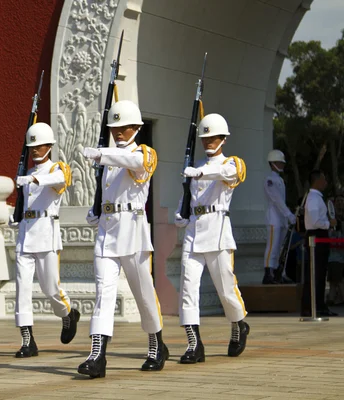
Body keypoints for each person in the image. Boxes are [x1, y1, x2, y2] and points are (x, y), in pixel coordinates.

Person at [79, 100, 167, 379]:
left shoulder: (144, 154)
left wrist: (101, 154)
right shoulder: (109, 158)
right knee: (103, 293)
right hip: (107, 232)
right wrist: (97, 210)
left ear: (137, 128)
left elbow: (136, 162)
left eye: (125, 127)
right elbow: (109, 192)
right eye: (114, 127)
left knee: (143, 294)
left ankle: (156, 343)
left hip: (133, 233)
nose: (118, 132)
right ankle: (97, 355)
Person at [174, 113, 249, 364]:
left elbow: (227, 174)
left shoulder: (230, 164)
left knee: (226, 289)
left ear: (223, 139)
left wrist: (198, 173)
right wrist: (180, 212)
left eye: (213, 137)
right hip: (194, 232)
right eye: (205, 137)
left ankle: (238, 324)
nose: (208, 141)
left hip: (217, 232)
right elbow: (190, 198)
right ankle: (194, 344)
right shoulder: (196, 167)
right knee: (187, 288)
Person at [10, 122, 80, 358]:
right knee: (22, 288)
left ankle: (68, 313)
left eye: (39, 146)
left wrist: (34, 181)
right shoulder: (26, 173)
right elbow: (25, 204)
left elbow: (63, 179)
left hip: (47, 234)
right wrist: (15, 216)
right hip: (26, 235)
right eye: (32, 146)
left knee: (51, 288)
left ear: (49, 146)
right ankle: (27, 340)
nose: (35, 150)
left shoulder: (56, 169)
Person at [301, 170, 337, 317]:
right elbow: (315, 222)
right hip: (316, 236)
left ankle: (318, 305)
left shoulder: (316, 198)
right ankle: (313, 306)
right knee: (315, 273)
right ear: (317, 181)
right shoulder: (314, 199)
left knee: (319, 273)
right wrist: (329, 223)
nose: (326, 183)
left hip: (318, 236)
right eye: (323, 180)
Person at [263, 150, 296, 284]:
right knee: (272, 246)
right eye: (278, 163)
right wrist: (288, 214)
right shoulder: (269, 180)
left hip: (281, 219)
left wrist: (286, 217)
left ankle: (279, 273)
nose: (281, 165)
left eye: (282, 163)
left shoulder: (280, 180)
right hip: (274, 219)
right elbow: (276, 200)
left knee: (281, 248)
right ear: (272, 164)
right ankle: (268, 273)